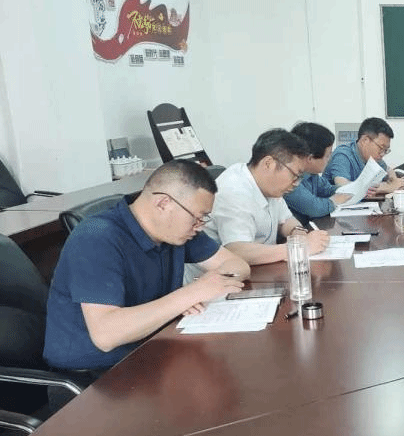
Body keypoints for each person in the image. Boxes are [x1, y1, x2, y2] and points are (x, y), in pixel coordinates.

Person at [44, 160, 250, 375]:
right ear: (163, 203)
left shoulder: (178, 231)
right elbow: (106, 336)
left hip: (150, 349)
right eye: (197, 218)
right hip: (95, 373)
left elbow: (239, 265)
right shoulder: (96, 238)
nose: (200, 227)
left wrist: (210, 286)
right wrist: (190, 294)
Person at [202, 128, 330, 267]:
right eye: (295, 175)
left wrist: (298, 233)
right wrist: (298, 248)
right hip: (220, 275)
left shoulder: (270, 186)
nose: (296, 183)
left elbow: (286, 220)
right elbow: (238, 250)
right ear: (268, 163)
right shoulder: (234, 190)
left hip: (260, 268)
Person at [284, 121, 359, 225]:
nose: (329, 159)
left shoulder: (311, 174)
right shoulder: (288, 179)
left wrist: (350, 188)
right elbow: (314, 208)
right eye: (327, 155)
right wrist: (334, 201)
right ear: (310, 158)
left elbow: (327, 190)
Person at [324, 116, 404, 196]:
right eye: (381, 148)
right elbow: (343, 189)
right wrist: (386, 187)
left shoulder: (374, 158)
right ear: (365, 140)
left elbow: (388, 170)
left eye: (386, 150)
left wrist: (394, 180)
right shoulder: (342, 155)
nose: (382, 154)